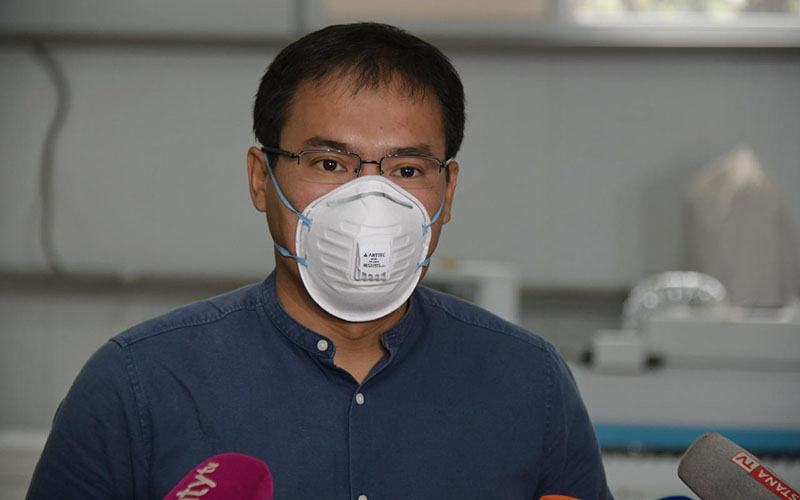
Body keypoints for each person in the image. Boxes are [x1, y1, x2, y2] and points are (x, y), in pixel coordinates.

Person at [27, 23, 612, 499]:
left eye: (407, 169)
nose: (369, 201)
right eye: (330, 164)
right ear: (261, 179)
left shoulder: (529, 381)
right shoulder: (139, 384)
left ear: (448, 191)